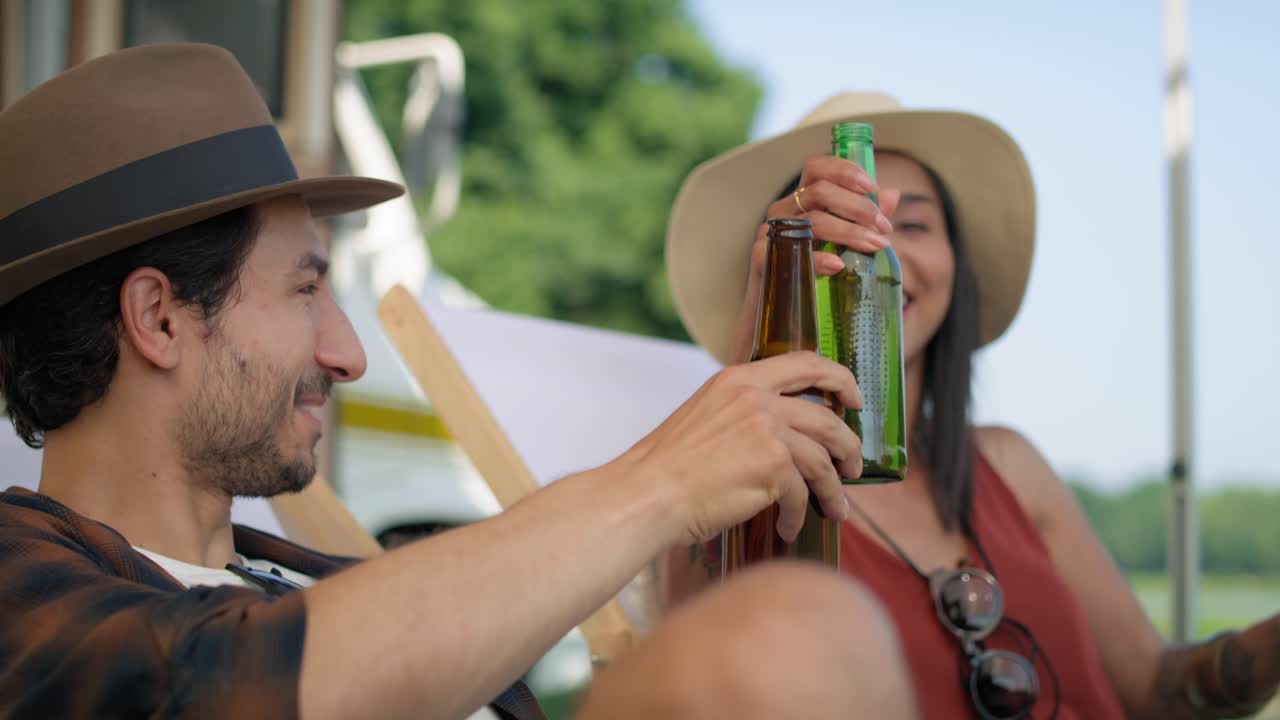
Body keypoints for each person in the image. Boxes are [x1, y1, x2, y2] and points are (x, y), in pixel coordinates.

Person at [0, 45, 921, 719]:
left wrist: (772, 331)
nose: (348, 355)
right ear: (159, 318)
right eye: (306, 290)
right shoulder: (25, 596)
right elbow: (225, 686)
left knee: (797, 633)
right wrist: (663, 479)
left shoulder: (316, 579)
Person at [662, 91, 1280, 719]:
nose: (871, 248)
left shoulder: (1011, 466)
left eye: (912, 225)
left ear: (957, 267)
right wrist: (757, 355)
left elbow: (1160, 691)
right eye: (834, 223)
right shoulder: (737, 494)